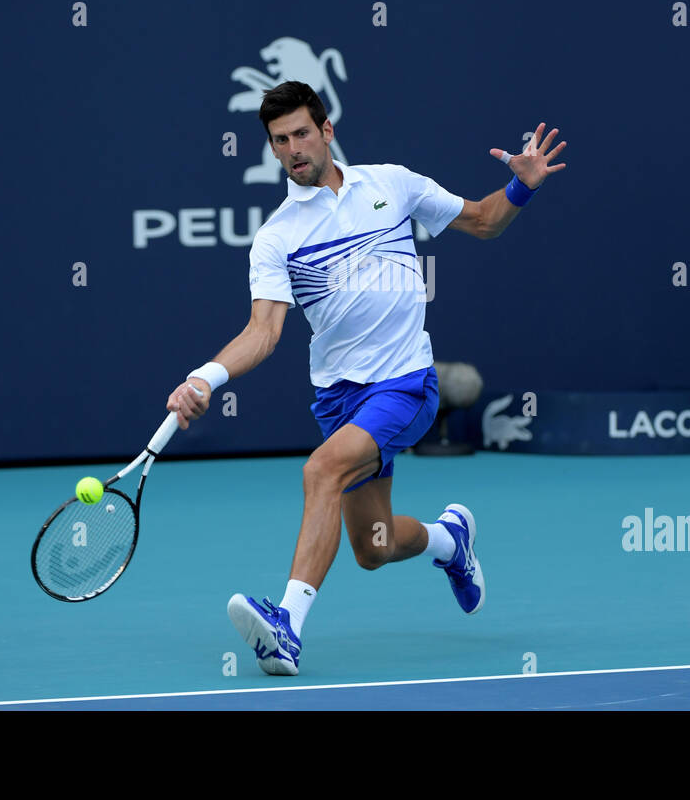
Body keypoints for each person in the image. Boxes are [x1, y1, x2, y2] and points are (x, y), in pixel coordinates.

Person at [163, 81, 566, 674]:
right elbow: (263, 332)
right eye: (280, 141)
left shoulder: (391, 184)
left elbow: (483, 221)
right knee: (372, 547)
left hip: (405, 382)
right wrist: (205, 377)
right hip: (338, 398)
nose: (294, 148)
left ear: (327, 132)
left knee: (321, 470)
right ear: (272, 151)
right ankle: (449, 541)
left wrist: (521, 186)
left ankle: (287, 628)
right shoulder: (276, 237)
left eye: (302, 133)